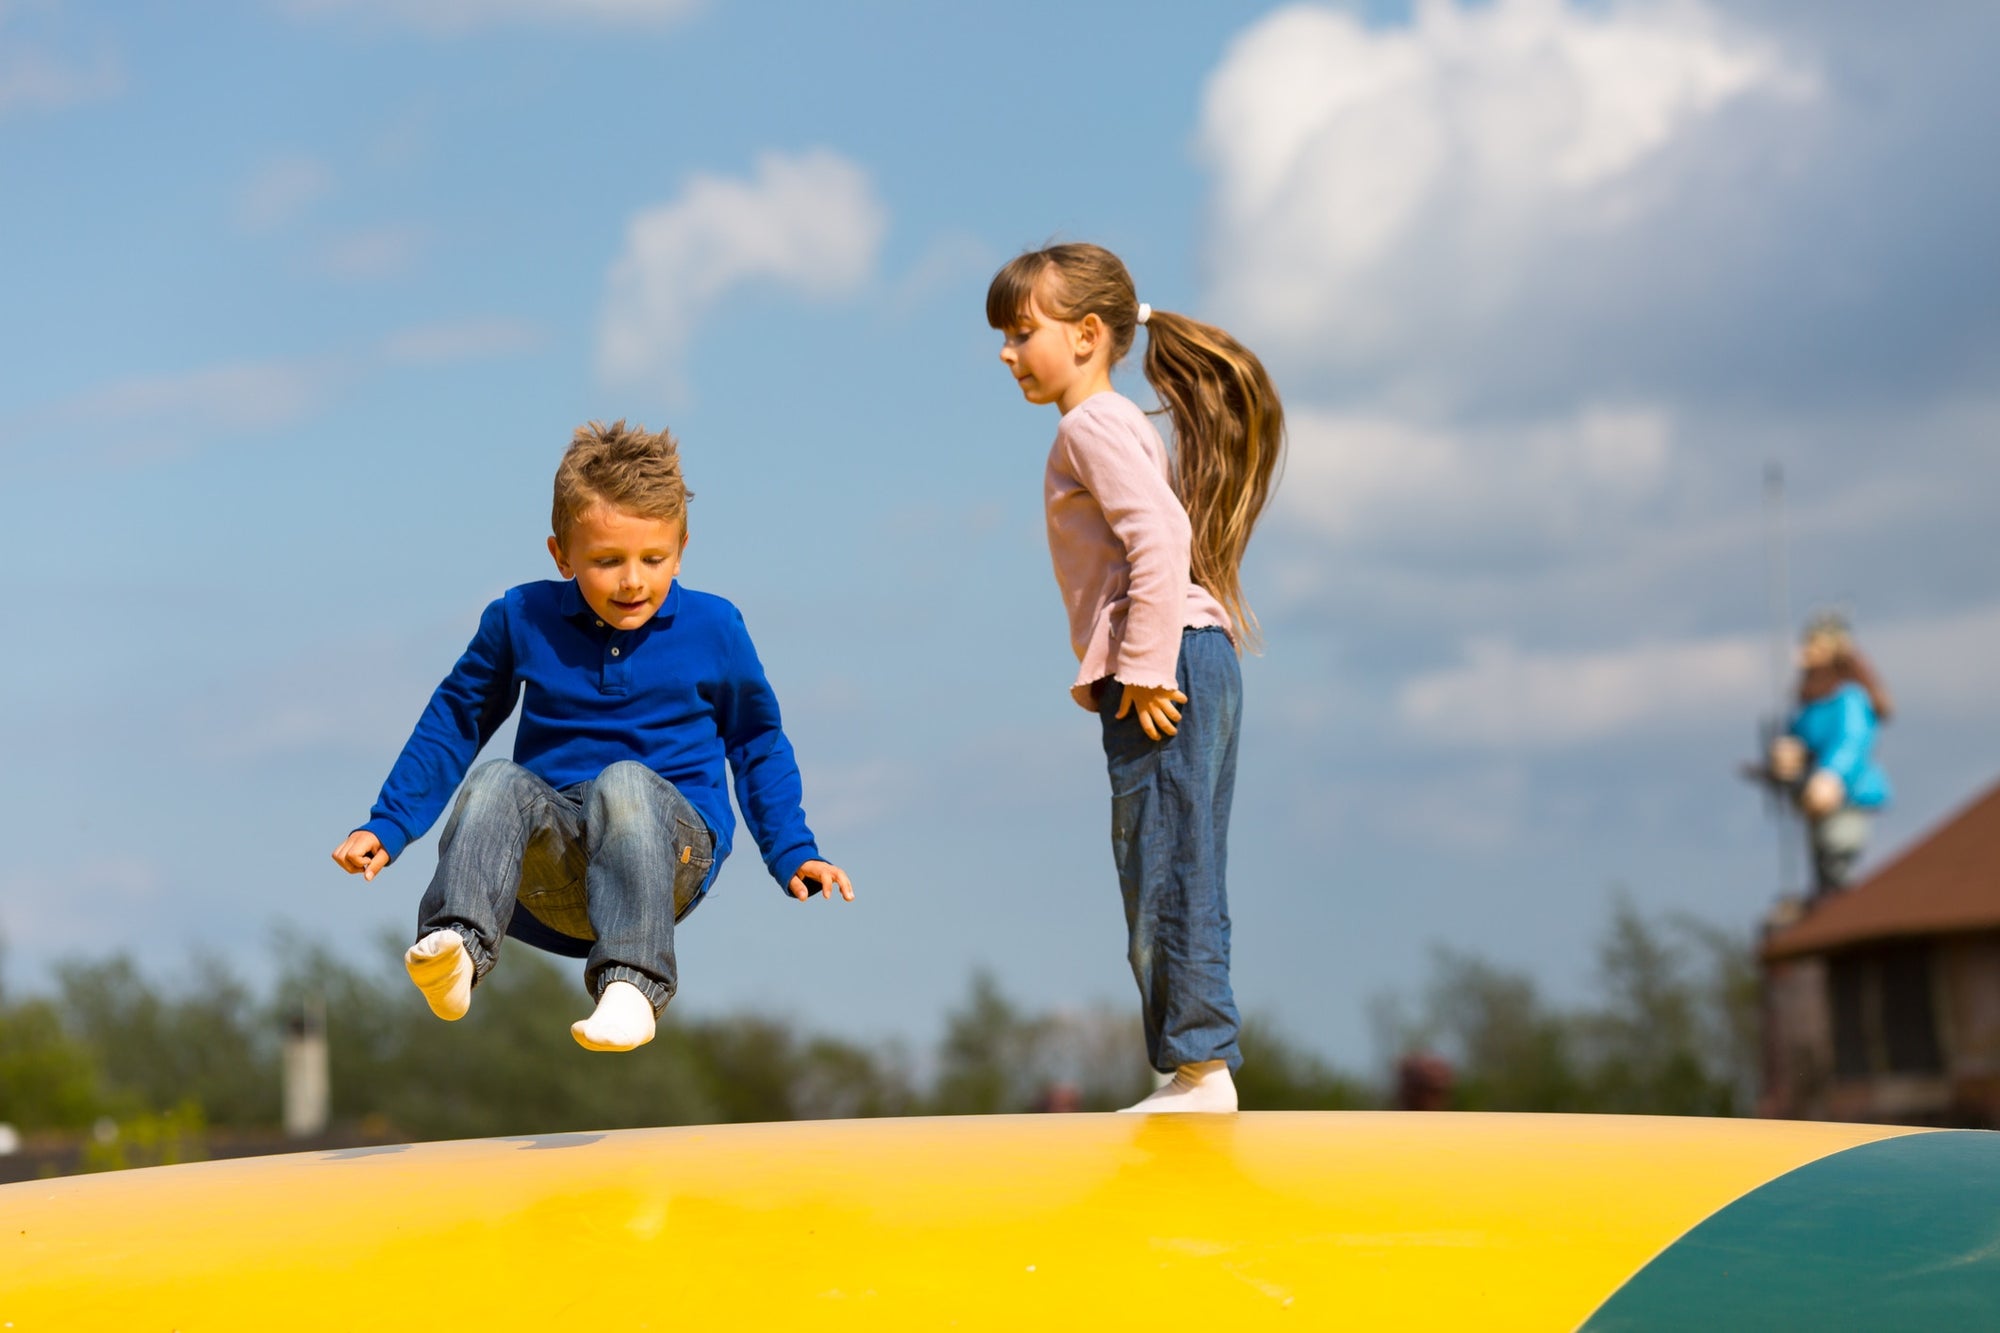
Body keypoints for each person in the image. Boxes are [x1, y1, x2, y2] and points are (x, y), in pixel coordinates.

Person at [331, 420, 852, 1052]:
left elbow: (757, 742)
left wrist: (792, 848)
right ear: (561, 555)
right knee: (497, 778)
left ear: (682, 547)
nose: (633, 581)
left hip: (668, 856)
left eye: (653, 560)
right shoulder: (520, 618)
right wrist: (388, 824)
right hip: (552, 868)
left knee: (623, 783)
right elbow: (456, 720)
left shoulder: (715, 627)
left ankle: (633, 983)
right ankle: (458, 949)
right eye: (608, 561)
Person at [988, 243, 1283, 1113]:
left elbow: (1159, 540)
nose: (1008, 353)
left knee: (1166, 865)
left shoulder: (1091, 426)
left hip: (1166, 668)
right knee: (1177, 858)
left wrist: (1147, 671)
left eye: (1022, 332)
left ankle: (1201, 1069)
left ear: (1086, 334)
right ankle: (1195, 1065)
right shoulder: (1113, 424)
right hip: (1188, 657)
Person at [1766, 612, 1892, 898]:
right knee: (1822, 874)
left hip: (1844, 796)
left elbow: (1851, 741)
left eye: (1812, 645)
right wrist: (1786, 757)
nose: (1804, 652)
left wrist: (1830, 776)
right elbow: (1797, 737)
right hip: (1812, 801)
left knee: (1839, 864)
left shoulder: (1849, 698)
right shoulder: (1810, 702)